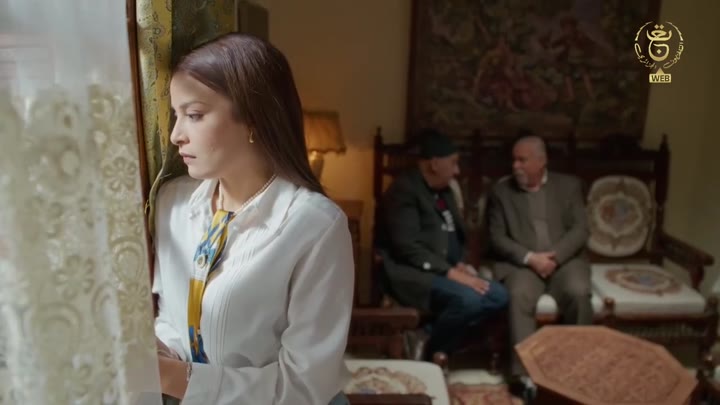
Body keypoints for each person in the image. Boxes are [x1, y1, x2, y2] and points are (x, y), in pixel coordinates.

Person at [151, 33, 354, 404]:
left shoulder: (316, 227)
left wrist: (174, 377)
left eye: (194, 115)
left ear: (252, 120)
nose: (177, 135)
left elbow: (303, 387)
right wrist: (162, 352)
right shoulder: (172, 203)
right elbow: (171, 318)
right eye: (176, 115)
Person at [377, 129, 509, 360]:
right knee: (468, 300)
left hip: (445, 269)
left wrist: (459, 264)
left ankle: (425, 336)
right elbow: (407, 248)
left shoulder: (444, 191)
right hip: (412, 274)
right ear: (435, 164)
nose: (457, 171)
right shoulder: (404, 191)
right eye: (453, 163)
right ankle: (435, 354)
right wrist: (451, 273)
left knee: (499, 295)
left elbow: (453, 235)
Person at [486, 133, 591, 394]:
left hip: (564, 261)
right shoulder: (501, 192)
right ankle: (524, 377)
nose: (515, 166)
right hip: (523, 263)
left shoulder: (569, 186)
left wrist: (555, 257)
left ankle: (578, 368)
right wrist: (531, 258)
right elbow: (497, 238)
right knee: (518, 295)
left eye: (522, 160)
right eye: (514, 160)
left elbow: (580, 229)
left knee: (579, 293)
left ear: (541, 161)